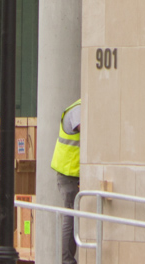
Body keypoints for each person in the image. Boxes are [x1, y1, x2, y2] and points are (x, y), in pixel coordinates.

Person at [50, 98, 81, 264]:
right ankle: (67, 260)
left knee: (73, 214)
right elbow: (86, 130)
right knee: (70, 214)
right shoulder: (79, 109)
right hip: (69, 174)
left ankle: (67, 259)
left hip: (74, 173)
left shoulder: (80, 107)